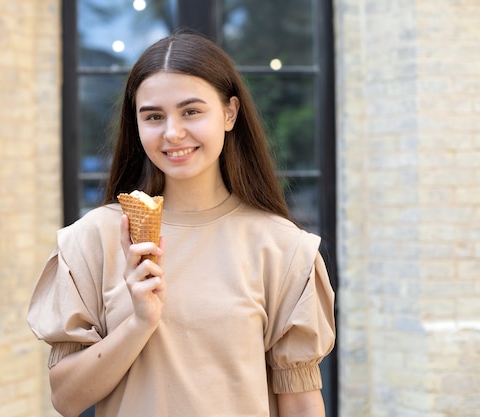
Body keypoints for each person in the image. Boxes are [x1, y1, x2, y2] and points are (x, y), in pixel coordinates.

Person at [27, 31, 336, 417]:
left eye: (191, 111)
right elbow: (66, 399)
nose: (172, 132)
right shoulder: (92, 240)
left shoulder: (283, 249)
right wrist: (139, 323)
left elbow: (302, 405)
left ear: (230, 113)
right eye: (154, 116)